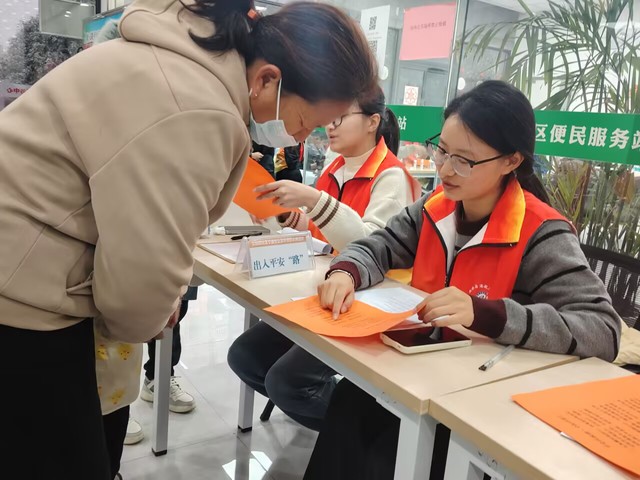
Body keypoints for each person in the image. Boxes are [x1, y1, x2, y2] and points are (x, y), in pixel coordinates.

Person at [0, 0, 377, 476]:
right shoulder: (199, 106)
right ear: (268, 80)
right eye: (307, 122)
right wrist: (156, 306)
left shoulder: (179, 63)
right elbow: (141, 281)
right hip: (22, 294)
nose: (302, 137)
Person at [303, 81, 622, 480]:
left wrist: (488, 315)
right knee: (350, 401)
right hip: (424, 377)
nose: (445, 169)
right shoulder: (435, 208)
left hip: (485, 405)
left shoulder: (541, 232)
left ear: (511, 161)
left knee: (384, 458)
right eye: (442, 151)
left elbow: (603, 329)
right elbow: (379, 245)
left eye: (465, 160)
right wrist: (345, 272)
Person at [227, 86, 421, 432]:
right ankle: (339, 423)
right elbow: (321, 233)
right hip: (324, 291)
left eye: (341, 117)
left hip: (366, 303)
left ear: (372, 122)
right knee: (245, 356)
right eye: (329, 117)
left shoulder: (392, 177)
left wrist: (313, 199)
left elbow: (369, 247)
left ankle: (363, 435)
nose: (330, 125)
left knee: (287, 382)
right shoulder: (335, 168)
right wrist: (284, 214)